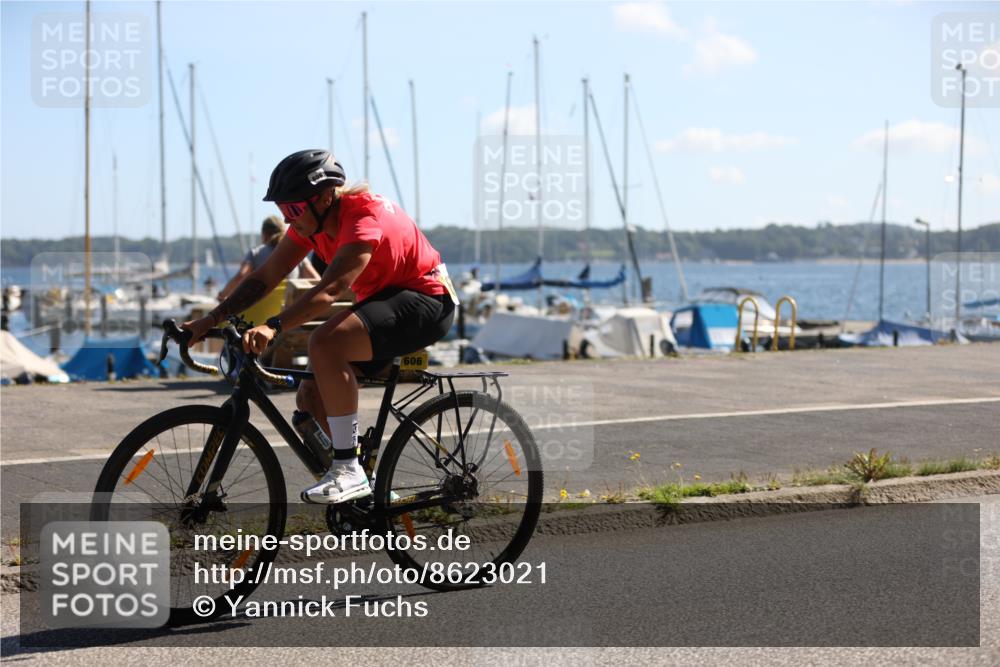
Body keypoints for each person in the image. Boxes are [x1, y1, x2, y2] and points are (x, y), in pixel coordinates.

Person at [182, 149, 457, 504]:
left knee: (326, 343)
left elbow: (330, 290)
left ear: (326, 197)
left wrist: (273, 327)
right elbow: (265, 277)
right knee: (311, 396)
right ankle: (361, 490)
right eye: (283, 210)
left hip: (427, 299)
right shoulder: (310, 225)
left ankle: (348, 470)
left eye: (294, 209)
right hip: (383, 303)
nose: (289, 218)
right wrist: (210, 319)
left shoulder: (363, 216)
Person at [217, 216, 320, 301]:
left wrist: (222, 295)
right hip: (287, 317)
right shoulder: (297, 254)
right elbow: (316, 280)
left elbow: (240, 276)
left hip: (258, 317)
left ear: (264, 234)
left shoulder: (255, 253)